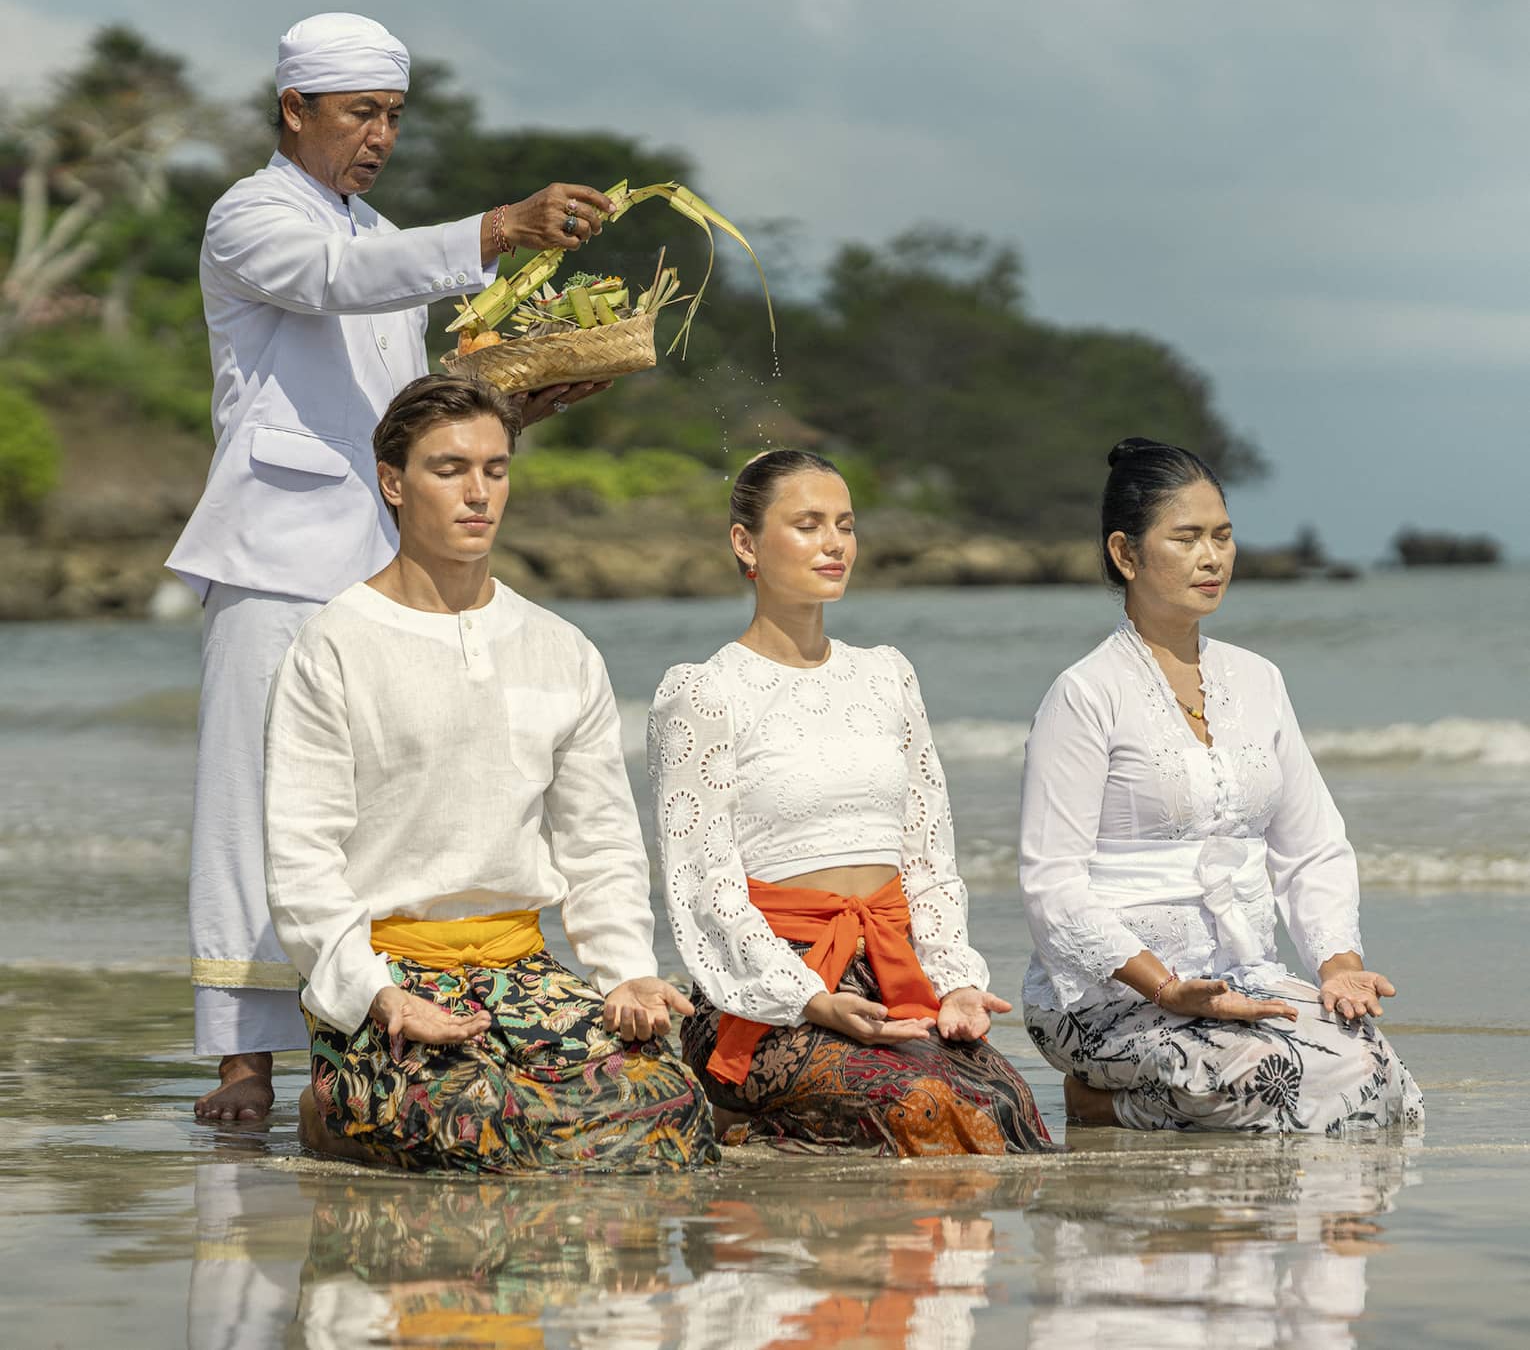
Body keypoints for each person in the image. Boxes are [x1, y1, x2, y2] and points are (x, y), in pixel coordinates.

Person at [167, 11, 618, 1122]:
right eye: (361, 112)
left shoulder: (381, 234)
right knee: (251, 806)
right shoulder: (251, 216)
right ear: (295, 111)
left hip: (384, 566)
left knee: (372, 807)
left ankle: (354, 1022)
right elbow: (334, 279)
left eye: (393, 116)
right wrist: (501, 227)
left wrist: (513, 406)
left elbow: (401, 414)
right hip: (279, 557)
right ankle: (240, 1063)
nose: (379, 135)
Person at [263, 373, 717, 1173]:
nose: (478, 493)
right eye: (449, 469)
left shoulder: (560, 646)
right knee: (480, 1126)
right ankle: (328, 1103)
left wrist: (627, 974)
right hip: (387, 976)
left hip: (521, 969)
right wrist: (375, 994)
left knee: (668, 1105)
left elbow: (598, 839)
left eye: (495, 469)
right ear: (393, 483)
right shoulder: (333, 645)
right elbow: (302, 857)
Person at [647, 449, 1053, 1155]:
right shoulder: (705, 691)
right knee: (921, 1106)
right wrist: (809, 999)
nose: (834, 543)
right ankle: (751, 1127)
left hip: (890, 970)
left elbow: (927, 855)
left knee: (1002, 1106)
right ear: (745, 543)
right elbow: (702, 885)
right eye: (807, 524)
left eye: (845, 524)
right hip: (769, 991)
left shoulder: (886, 675)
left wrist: (955, 981)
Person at [1018, 437, 1424, 1133]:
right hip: (1108, 993)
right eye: (1188, 538)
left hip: (1239, 979)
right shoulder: (1085, 694)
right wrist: (1169, 988)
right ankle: (1102, 1104)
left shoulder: (1258, 680)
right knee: (1270, 1083)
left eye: (1223, 536)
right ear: (1126, 554)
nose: (1213, 557)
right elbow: (1052, 884)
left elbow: (1312, 846)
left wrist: (1338, 965)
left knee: (1381, 1080)